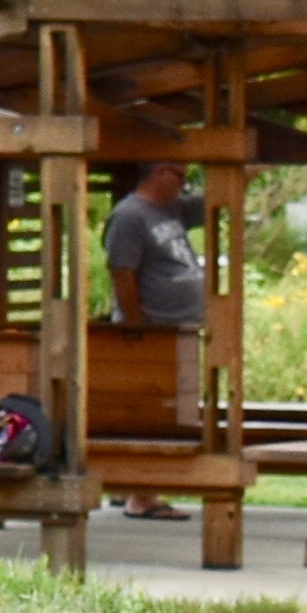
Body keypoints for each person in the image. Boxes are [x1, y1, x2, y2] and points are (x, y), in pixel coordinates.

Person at [103, 161, 208, 514]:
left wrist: (248, 173)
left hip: (179, 329)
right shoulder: (130, 216)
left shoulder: (170, 209)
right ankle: (140, 495)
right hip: (152, 333)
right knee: (151, 414)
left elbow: (214, 203)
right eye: (179, 175)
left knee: (174, 415)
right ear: (159, 174)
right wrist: (137, 326)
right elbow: (122, 273)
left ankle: (144, 492)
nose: (184, 183)